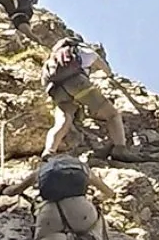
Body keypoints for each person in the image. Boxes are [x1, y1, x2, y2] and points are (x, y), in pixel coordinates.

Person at [40, 35, 147, 163]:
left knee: (63, 121)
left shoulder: (52, 60)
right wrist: (111, 75)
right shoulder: (81, 50)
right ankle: (120, 149)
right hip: (76, 83)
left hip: (56, 90)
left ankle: (49, 151)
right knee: (112, 115)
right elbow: (103, 66)